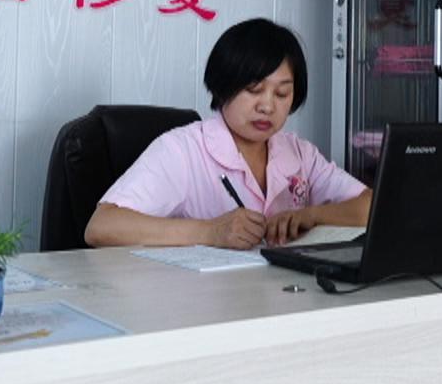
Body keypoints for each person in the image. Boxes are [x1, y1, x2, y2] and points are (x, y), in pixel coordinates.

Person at [83, 18, 372, 249]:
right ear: (222, 87)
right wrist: (209, 232)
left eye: (282, 93)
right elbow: (102, 227)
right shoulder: (181, 149)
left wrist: (311, 215)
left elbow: (371, 207)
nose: (267, 106)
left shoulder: (299, 152)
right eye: (254, 90)